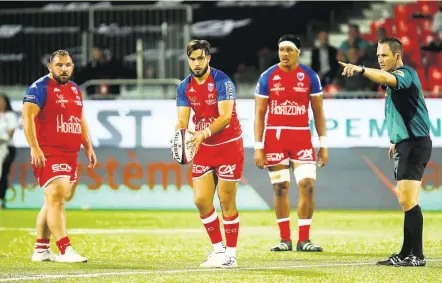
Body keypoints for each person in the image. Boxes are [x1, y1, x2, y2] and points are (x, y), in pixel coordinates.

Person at [339, 37, 431, 267]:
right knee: (406, 200)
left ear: (397, 56)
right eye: (378, 55)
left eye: (384, 56)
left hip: (415, 144)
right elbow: (399, 112)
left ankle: (416, 255)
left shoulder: (406, 74)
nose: (380, 60)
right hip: (405, 143)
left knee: (408, 200)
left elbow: (387, 78)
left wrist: (361, 69)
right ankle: (406, 253)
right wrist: (395, 140)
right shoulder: (395, 79)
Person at [254, 34, 328, 252]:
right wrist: (258, 147)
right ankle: (284, 240)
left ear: (298, 52)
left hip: (302, 138)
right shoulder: (267, 77)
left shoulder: (310, 76)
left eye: (289, 50)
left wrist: (323, 144)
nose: (284, 54)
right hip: (275, 139)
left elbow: (318, 111)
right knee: (280, 188)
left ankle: (304, 240)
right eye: (281, 49)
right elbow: (259, 113)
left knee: (307, 185)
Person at [22, 50, 97, 263]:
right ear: (50, 67)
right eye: (59, 65)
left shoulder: (74, 90)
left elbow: (79, 119)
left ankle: (41, 249)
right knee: (56, 196)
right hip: (48, 152)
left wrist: (88, 146)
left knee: (52, 200)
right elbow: (27, 118)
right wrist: (34, 147)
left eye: (68, 65)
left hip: (70, 153)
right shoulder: (39, 88)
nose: (64, 69)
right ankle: (65, 249)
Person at [175, 39, 243, 268]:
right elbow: (182, 121)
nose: (196, 63)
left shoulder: (222, 81)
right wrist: (181, 138)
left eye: (201, 58)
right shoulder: (184, 86)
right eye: (192, 59)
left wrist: (202, 134)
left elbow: (225, 117)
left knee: (226, 200)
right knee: (201, 200)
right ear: (188, 60)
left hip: (228, 145)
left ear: (208, 58)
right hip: (204, 147)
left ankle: (231, 255)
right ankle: (218, 250)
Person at [0, 94, 19, 209]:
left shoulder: (10, 115)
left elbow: (12, 129)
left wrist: (5, 138)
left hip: (7, 147)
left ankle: (2, 199)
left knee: (3, 174)